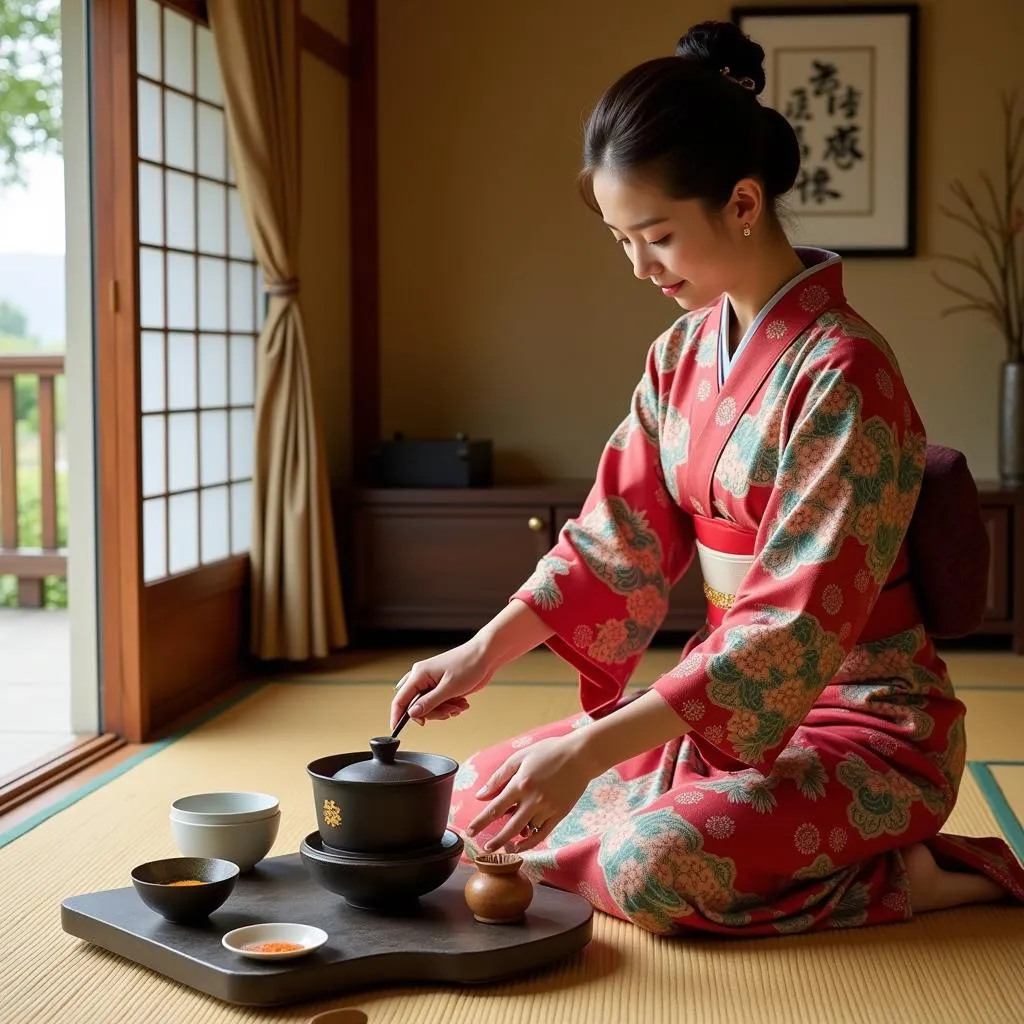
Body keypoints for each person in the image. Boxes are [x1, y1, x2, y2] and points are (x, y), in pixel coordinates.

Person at [390, 21, 1024, 936]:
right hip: (722, 707)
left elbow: (789, 626)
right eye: (620, 238)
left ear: (741, 203)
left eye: (656, 236)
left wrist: (591, 750)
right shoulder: (680, 354)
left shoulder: (846, 374)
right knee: (476, 798)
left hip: (865, 724)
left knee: (650, 868)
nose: (638, 266)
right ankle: (703, 827)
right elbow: (615, 542)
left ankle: (919, 875)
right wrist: (478, 652)